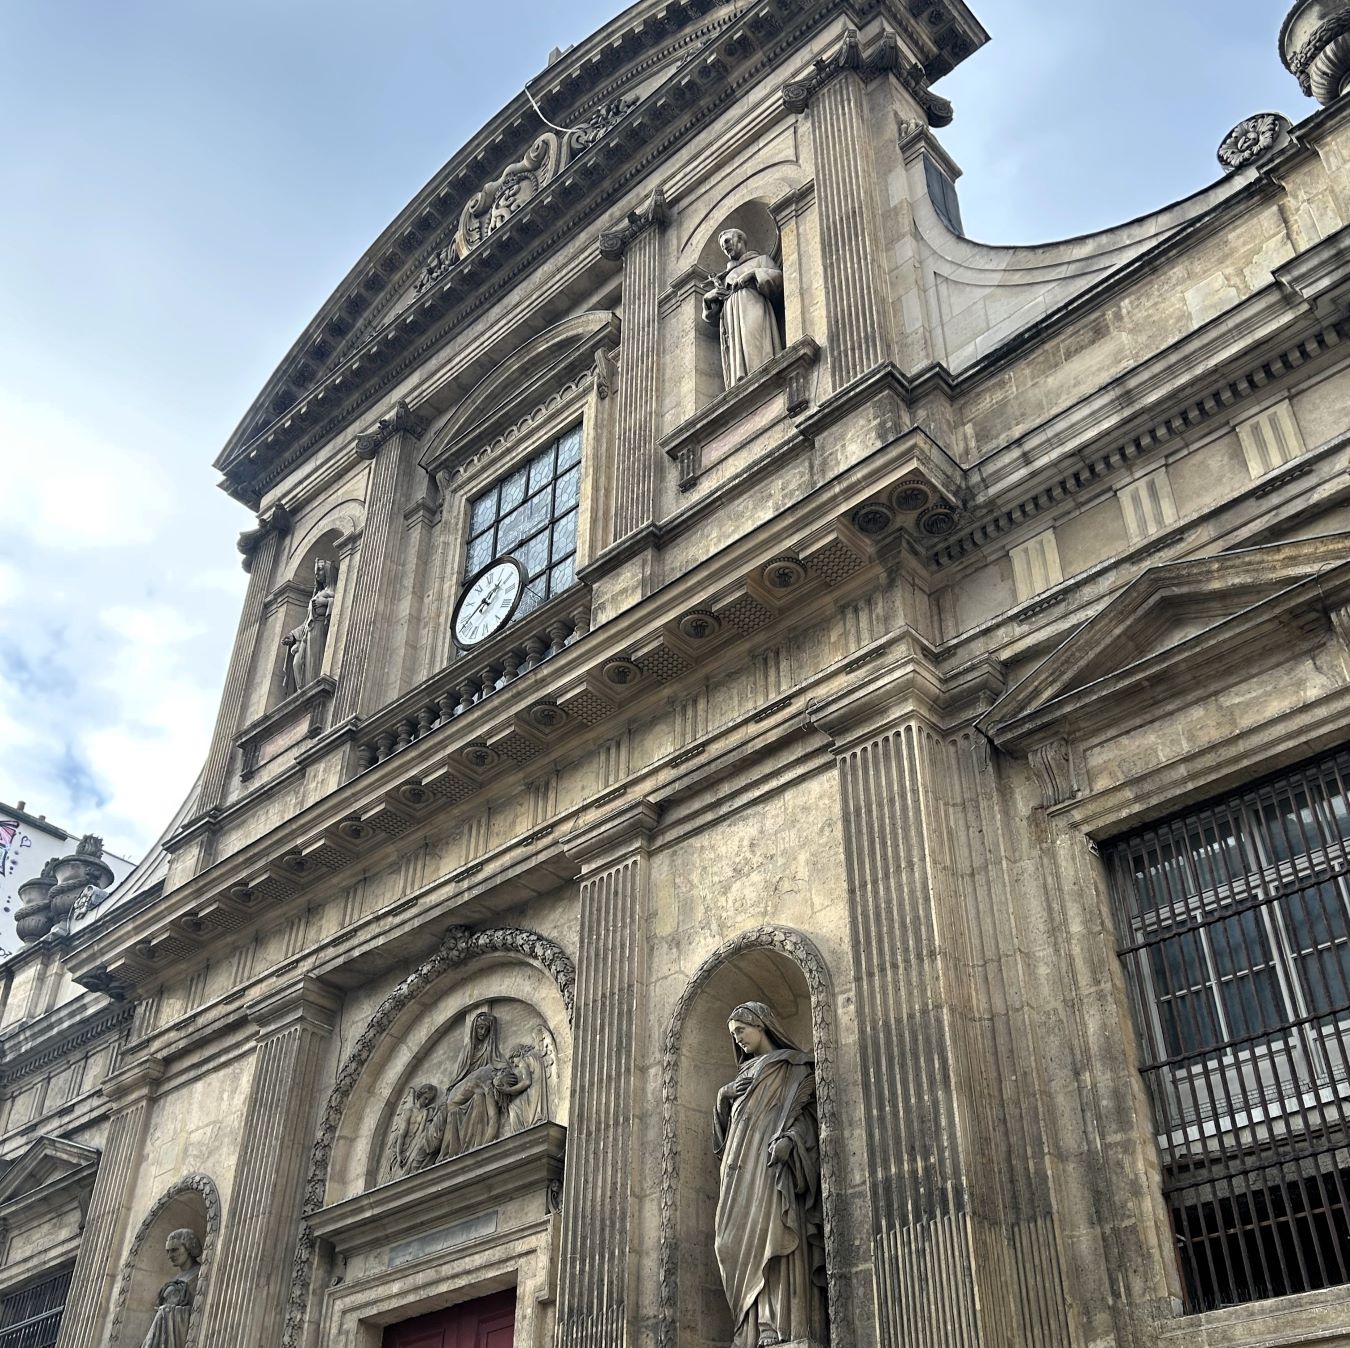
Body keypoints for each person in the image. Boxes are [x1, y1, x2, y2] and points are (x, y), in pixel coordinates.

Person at [713, 1002, 827, 1348]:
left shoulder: (795, 1068)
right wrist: (722, 1097)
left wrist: (791, 1142)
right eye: (734, 1036)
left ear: (761, 1024)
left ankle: (777, 1326)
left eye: (741, 1032)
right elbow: (723, 1141)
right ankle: (747, 1326)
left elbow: (807, 1120)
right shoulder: (739, 1079)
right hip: (738, 1171)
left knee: (774, 1230)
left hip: (771, 1169)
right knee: (727, 1240)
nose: (739, 1040)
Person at [701, 228, 784, 390]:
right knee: (736, 350)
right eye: (722, 246)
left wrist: (753, 274)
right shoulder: (725, 275)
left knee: (755, 341)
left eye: (726, 241)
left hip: (752, 305)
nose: (725, 248)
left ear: (740, 239)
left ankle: (761, 372)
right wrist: (709, 298)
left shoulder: (761, 260)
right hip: (731, 316)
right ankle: (740, 383)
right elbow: (710, 316)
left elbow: (778, 278)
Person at [438, 1007, 508, 1160]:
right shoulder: (467, 1051)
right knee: (453, 1112)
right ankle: (451, 1152)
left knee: (479, 1097)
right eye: (480, 1028)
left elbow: (500, 1065)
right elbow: (459, 1075)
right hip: (465, 1090)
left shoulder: (490, 1050)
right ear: (474, 1029)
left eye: (486, 1029)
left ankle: (475, 1144)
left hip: (480, 1090)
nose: (482, 1032)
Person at [282, 558, 338, 695]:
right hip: (308, 631)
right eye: (315, 571)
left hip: (319, 628)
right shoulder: (317, 593)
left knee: (314, 661)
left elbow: (339, 604)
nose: (317, 573)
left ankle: (312, 690)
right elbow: (307, 620)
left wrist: (326, 602)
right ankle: (303, 691)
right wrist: (293, 635)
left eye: (320, 570)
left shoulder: (332, 590)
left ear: (327, 571)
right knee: (297, 663)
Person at [139, 1228, 202, 1348]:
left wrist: (167, 1312)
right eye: (168, 1251)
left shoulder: (199, 1273)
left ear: (188, 1248)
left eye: (174, 1250)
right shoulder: (175, 1279)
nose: (170, 1256)